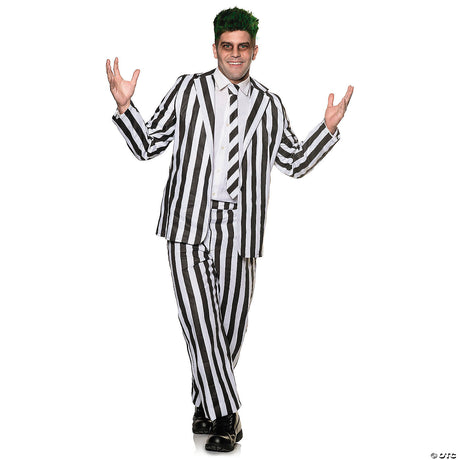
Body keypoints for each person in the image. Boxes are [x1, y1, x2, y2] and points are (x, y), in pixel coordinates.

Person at [106, 7, 353, 452]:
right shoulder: (188, 89)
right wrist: (126, 107)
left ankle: (205, 404)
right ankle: (228, 417)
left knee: (228, 328)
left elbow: (295, 163)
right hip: (187, 223)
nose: (235, 54)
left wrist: (327, 129)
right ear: (215, 48)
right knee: (200, 320)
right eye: (227, 46)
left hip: (242, 230)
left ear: (255, 51)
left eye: (243, 47)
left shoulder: (270, 106)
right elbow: (147, 146)